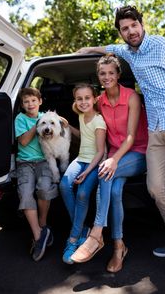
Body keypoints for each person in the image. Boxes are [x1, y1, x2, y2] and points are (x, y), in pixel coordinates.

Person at [75, 5, 165, 276]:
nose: (130, 31)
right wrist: (87, 51)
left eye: (134, 25)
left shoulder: (164, 45)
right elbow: (107, 50)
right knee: (156, 186)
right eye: (124, 28)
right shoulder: (127, 52)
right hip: (156, 128)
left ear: (141, 24)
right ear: (121, 32)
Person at [71, 54, 148, 273]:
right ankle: (118, 247)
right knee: (114, 193)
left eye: (111, 73)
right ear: (98, 76)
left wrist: (113, 160)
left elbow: (131, 136)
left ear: (118, 75)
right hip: (115, 153)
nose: (107, 77)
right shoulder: (100, 101)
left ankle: (96, 235)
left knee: (106, 171)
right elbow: (92, 128)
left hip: (138, 152)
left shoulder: (131, 96)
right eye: (102, 73)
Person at [59, 83, 107, 264]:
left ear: (95, 99)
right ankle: (81, 230)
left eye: (87, 98)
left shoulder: (99, 121)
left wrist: (87, 172)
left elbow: (100, 151)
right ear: (75, 101)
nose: (83, 102)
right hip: (80, 159)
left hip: (94, 162)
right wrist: (68, 126)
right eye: (79, 99)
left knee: (83, 193)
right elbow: (84, 136)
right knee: (64, 185)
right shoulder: (80, 115)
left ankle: (72, 239)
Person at [15, 87, 57, 261]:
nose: (30, 104)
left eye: (33, 100)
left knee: (45, 189)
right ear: (22, 105)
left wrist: (51, 121)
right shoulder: (20, 118)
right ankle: (39, 236)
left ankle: (43, 224)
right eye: (26, 101)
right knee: (25, 194)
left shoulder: (47, 119)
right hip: (24, 163)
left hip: (43, 160)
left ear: (40, 102)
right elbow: (23, 141)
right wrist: (38, 124)